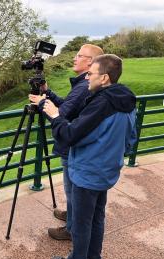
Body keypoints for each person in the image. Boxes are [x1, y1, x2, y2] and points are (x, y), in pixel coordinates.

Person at [43, 54, 136, 259]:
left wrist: (55, 116)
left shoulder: (101, 103)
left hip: (88, 171)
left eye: (91, 74)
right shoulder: (125, 99)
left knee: (83, 221)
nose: (87, 78)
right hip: (106, 170)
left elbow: (70, 135)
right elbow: (130, 138)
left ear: (104, 78)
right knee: (97, 217)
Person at [29, 44, 104, 241]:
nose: (74, 58)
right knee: (72, 190)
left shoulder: (82, 87)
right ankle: (71, 216)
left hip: (72, 145)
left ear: (90, 62)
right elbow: (68, 106)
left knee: (72, 190)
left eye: (79, 56)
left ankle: (71, 228)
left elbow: (60, 115)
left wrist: (42, 103)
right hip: (76, 144)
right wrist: (48, 92)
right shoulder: (82, 85)